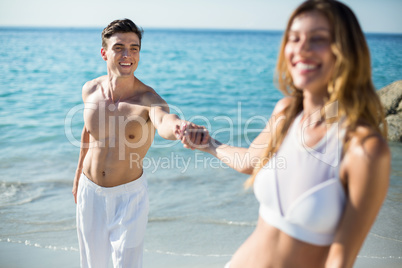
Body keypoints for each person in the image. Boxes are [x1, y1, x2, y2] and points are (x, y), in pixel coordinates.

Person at [182, 0, 391, 267]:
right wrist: (208, 143)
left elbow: (340, 261)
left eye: (318, 39)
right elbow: (249, 162)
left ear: (346, 51)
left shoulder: (364, 149)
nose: (301, 48)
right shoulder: (287, 112)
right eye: (294, 38)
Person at [72, 19, 207, 268]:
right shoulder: (89, 90)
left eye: (134, 48)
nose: (127, 55)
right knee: (91, 263)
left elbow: (165, 121)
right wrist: (78, 175)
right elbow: (88, 131)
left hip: (129, 197)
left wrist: (179, 127)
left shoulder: (148, 100)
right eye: (119, 47)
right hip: (89, 191)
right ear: (104, 53)